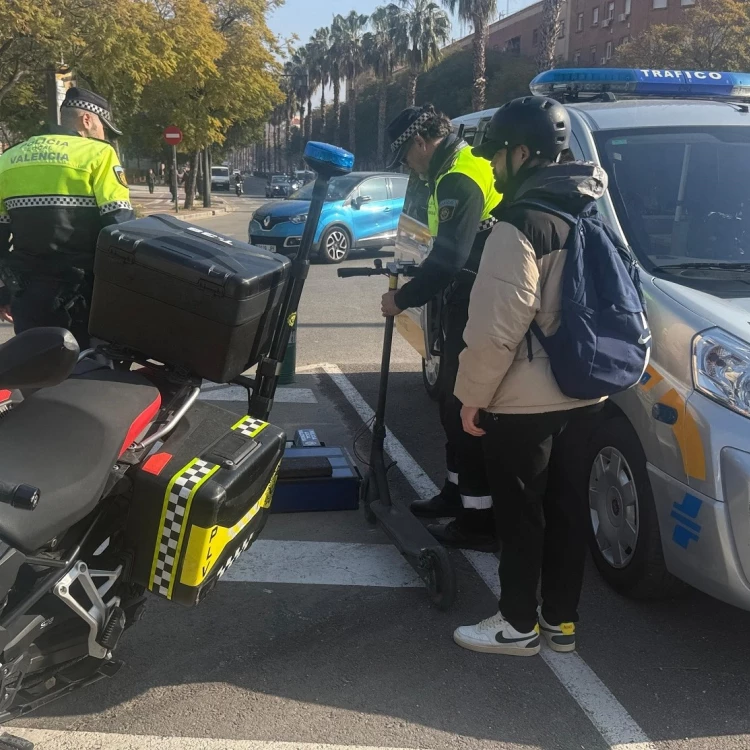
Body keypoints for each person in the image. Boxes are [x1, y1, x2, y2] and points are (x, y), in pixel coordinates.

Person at [451, 96, 608, 656]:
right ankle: (561, 624)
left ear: (523, 153)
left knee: (521, 519)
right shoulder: (587, 211)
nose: (492, 165)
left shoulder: (518, 226)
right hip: (585, 393)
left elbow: (497, 329)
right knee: (567, 513)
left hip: (524, 405)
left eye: (497, 154)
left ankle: (517, 625)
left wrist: (471, 398)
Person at [381, 104, 502, 551]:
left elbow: (449, 259)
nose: (408, 168)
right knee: (451, 410)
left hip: (479, 303)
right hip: (466, 301)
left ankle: (479, 521)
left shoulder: (458, 177)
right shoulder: (450, 169)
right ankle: (456, 494)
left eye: (406, 157)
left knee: (465, 412)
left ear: (420, 142)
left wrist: (402, 299)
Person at [0, 87, 134, 347]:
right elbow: (120, 229)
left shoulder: (9, 159)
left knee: (36, 374)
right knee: (91, 376)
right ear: (87, 120)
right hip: (82, 296)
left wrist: (4, 293)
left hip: (28, 297)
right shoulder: (99, 154)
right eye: (103, 127)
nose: (104, 135)